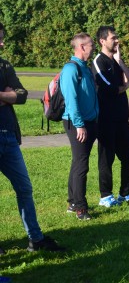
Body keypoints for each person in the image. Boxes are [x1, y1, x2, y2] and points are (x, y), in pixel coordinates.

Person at [0, 21, 64, 251]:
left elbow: (22, 94)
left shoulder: (4, 66)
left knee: (25, 188)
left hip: (8, 138)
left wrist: (5, 95)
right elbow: (13, 95)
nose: (3, 42)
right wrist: (7, 95)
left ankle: (35, 239)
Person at [93, 26, 129, 206]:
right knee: (107, 158)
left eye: (117, 37)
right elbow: (107, 87)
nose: (117, 41)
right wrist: (123, 87)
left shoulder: (116, 60)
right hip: (106, 119)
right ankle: (105, 196)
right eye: (113, 38)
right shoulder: (99, 61)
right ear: (102, 41)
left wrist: (120, 62)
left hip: (122, 119)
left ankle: (125, 193)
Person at [61, 32, 99, 220]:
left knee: (78, 162)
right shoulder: (71, 69)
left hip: (88, 122)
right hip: (77, 123)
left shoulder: (85, 68)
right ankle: (80, 208)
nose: (93, 47)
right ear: (82, 47)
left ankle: (72, 201)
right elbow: (71, 100)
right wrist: (79, 125)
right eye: (91, 45)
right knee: (82, 165)